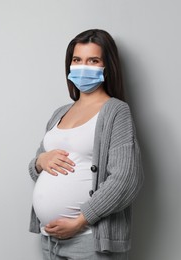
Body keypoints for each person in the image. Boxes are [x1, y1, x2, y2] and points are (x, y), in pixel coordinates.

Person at [28, 29, 144, 260]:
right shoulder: (60, 113)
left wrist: (81, 220)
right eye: (77, 60)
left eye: (93, 60)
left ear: (107, 67)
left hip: (90, 240)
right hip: (50, 241)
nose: (83, 66)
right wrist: (39, 161)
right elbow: (38, 166)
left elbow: (127, 178)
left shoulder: (116, 111)